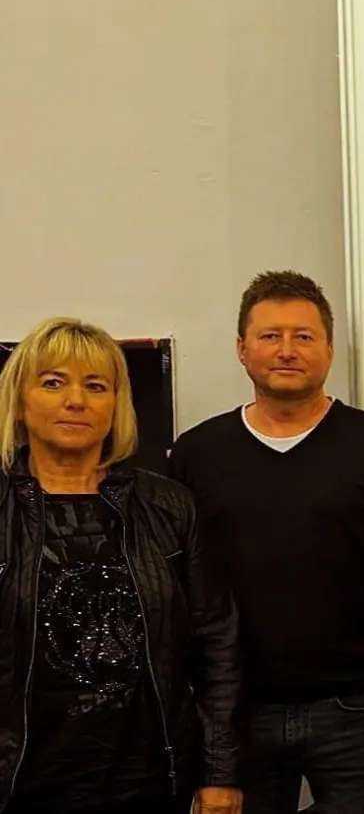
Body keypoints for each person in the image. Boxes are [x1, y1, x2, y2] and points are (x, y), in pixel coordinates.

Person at [167, 271, 364, 814]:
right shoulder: (196, 454)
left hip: (359, 708)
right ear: (241, 349)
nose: (287, 350)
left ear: (329, 349)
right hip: (237, 717)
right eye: (270, 336)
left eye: (304, 336)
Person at [0, 317, 242, 814]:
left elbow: (217, 641)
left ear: (116, 404)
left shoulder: (170, 506)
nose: (76, 400)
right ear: (20, 401)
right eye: (52, 382)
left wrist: (220, 772)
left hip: (149, 779)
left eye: (95, 386)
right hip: (19, 783)